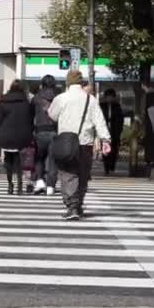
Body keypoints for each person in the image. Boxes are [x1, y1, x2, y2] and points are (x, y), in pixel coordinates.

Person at [48, 70, 111, 221]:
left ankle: (72, 206)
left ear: (67, 82)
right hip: (85, 143)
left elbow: (52, 115)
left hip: (66, 142)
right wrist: (105, 140)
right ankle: (78, 205)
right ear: (81, 82)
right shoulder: (91, 99)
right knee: (83, 174)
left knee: (68, 174)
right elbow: (99, 120)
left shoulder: (61, 98)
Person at [0, 80, 34, 195]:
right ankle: (20, 186)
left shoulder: (3, 103)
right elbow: (30, 120)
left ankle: (10, 184)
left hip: (6, 135)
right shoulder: (26, 103)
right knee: (19, 161)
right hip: (22, 136)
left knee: (8, 160)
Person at [30, 75, 59, 196]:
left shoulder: (36, 98)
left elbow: (30, 115)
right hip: (55, 131)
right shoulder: (58, 98)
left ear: (42, 84)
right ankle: (51, 186)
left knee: (39, 157)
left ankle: (40, 180)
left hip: (39, 132)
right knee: (53, 159)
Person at [100, 89, 124, 175]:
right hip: (104, 130)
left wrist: (119, 131)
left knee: (114, 149)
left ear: (113, 97)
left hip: (114, 131)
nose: (109, 98)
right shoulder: (101, 106)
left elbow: (121, 120)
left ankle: (112, 166)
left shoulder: (117, 106)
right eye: (107, 96)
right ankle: (106, 167)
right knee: (105, 150)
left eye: (111, 96)